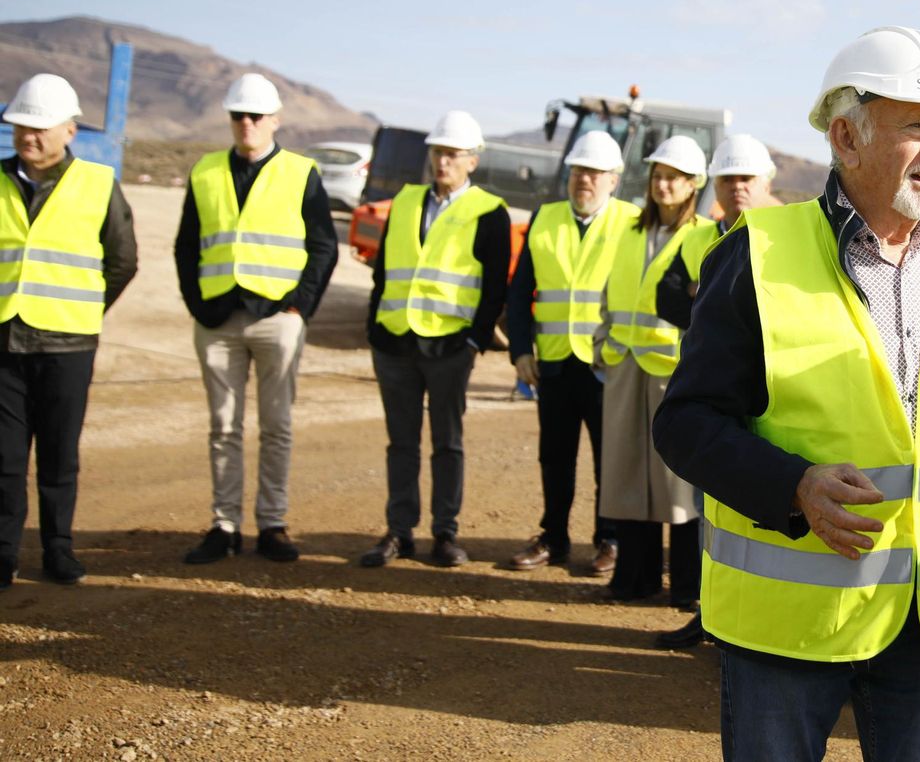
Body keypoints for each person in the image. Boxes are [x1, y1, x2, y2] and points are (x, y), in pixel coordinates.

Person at [654, 25, 920, 762]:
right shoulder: (760, 255)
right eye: (916, 127)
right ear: (846, 136)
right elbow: (685, 422)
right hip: (788, 625)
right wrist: (793, 487)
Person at [175, 72, 337, 565]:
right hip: (219, 319)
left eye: (255, 116)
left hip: (276, 319)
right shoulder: (204, 172)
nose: (246, 123)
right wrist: (198, 306)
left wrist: (299, 307)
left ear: (275, 121)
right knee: (223, 427)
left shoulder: (300, 172)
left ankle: (272, 523)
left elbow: (324, 246)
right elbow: (186, 246)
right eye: (238, 116)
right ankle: (224, 526)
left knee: (276, 426)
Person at [0, 74, 138, 588]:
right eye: (20, 126)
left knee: (60, 455)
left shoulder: (98, 184)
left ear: (70, 131)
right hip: (5, 341)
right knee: (5, 457)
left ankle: (58, 549)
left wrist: (84, 309)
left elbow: (122, 260)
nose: (28, 136)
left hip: (68, 343)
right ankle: (4, 553)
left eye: (39, 127)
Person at [358, 111, 509, 569]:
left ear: (472, 161)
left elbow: (494, 286)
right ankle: (399, 532)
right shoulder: (405, 201)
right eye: (437, 152)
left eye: (451, 154)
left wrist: (475, 341)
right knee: (400, 442)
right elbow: (384, 269)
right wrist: (374, 328)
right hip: (396, 341)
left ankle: (445, 533)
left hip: (448, 346)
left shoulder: (488, 211)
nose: (441, 162)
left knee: (448, 443)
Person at [651, 131, 779, 649]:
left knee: (764, 514)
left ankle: (754, 624)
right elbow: (664, 294)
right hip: (715, 393)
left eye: (746, 178)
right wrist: (710, 316)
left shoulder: (787, 234)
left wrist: (709, 307)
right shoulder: (704, 236)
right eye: (728, 178)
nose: (737, 187)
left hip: (771, 397)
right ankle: (714, 615)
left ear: (767, 181)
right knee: (714, 514)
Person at [504, 131, 638, 575]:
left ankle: (609, 539)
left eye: (596, 172)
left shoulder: (632, 223)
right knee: (555, 457)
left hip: (608, 366)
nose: (586, 179)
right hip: (556, 363)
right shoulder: (545, 218)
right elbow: (520, 290)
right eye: (580, 170)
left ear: (614, 179)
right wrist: (520, 350)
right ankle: (554, 538)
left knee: (609, 458)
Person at [596, 136, 714, 603]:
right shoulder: (627, 231)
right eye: (658, 176)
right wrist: (604, 341)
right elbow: (610, 291)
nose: (663, 185)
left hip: (674, 370)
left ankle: (685, 586)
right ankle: (633, 578)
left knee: (677, 483)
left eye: (674, 178)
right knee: (626, 474)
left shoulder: (704, 235)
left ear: (693, 185)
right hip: (626, 364)